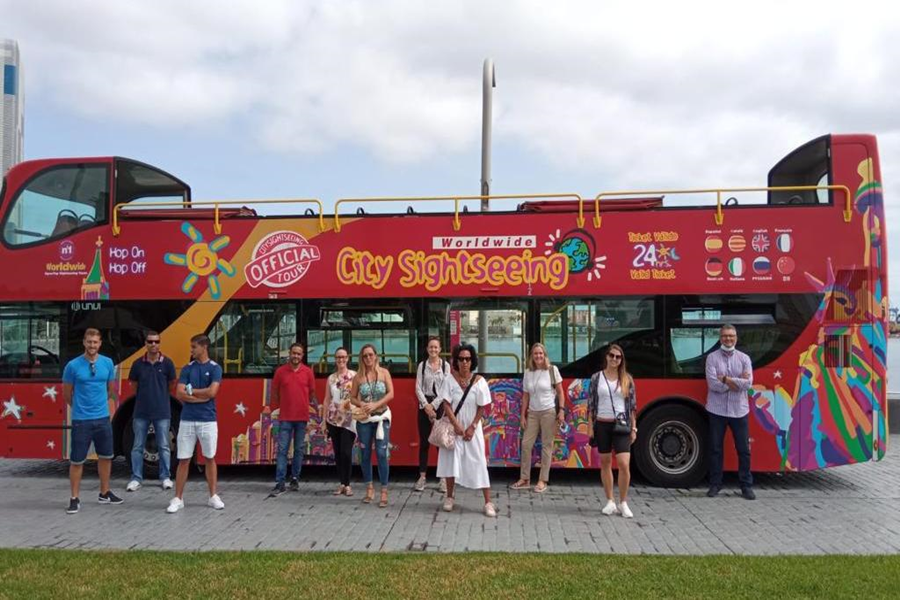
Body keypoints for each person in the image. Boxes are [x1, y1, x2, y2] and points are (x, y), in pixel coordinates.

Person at [63, 328, 123, 514]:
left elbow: (110, 390)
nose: (92, 345)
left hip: (103, 418)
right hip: (81, 420)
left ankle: (104, 493)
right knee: (77, 460)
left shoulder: (107, 363)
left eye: (95, 342)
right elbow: (67, 394)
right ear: (84, 342)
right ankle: (74, 498)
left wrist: (99, 407)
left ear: (100, 344)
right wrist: (81, 408)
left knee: (106, 457)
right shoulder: (72, 366)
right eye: (89, 342)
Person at [435, 343, 496, 517]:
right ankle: (449, 496)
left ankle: (488, 501)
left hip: (472, 430)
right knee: (450, 463)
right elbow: (446, 404)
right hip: (455, 429)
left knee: (479, 463)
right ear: (456, 361)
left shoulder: (479, 381)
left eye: (468, 359)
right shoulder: (449, 380)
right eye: (461, 359)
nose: (464, 362)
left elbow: (482, 406)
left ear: (472, 361)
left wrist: (472, 426)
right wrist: (456, 425)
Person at [167, 334, 224, 513]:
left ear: (204, 347)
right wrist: (201, 396)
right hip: (188, 419)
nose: (191, 350)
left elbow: (212, 392)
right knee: (183, 459)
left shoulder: (215, 368)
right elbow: (180, 393)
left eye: (194, 347)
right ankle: (178, 498)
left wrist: (192, 393)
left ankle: (213, 496)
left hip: (208, 420)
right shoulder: (187, 369)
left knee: (209, 458)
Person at [705, 324, 755, 500]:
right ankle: (715, 485)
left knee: (743, 450)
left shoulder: (744, 359)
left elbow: (748, 385)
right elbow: (713, 385)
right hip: (716, 410)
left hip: (739, 411)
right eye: (725, 336)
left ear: (736, 338)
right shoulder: (712, 358)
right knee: (715, 449)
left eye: (731, 336)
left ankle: (746, 486)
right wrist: (736, 383)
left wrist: (725, 379)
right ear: (720, 338)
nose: (728, 339)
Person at [588, 344, 637, 518]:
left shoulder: (627, 379)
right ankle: (610, 500)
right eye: (612, 356)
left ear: (621, 360)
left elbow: (632, 407)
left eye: (618, 357)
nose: (614, 359)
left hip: (621, 425)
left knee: (624, 464)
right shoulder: (596, 378)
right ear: (606, 357)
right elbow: (591, 405)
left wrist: (634, 428)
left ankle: (623, 502)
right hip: (602, 424)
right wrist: (590, 427)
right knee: (605, 462)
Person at [510, 342, 565, 493]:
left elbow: (560, 392)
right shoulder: (528, 372)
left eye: (541, 353)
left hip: (549, 412)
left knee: (547, 446)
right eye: (535, 354)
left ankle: (542, 480)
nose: (538, 356)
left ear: (545, 355)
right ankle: (525, 479)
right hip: (533, 413)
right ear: (531, 357)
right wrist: (523, 415)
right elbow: (526, 396)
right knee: (526, 444)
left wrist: (561, 410)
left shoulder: (552, 370)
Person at [126, 330, 177, 492]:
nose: (153, 344)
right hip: (141, 411)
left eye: (156, 342)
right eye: (150, 341)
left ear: (159, 343)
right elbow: (134, 386)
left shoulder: (167, 363)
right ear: (145, 344)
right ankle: (136, 478)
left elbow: (171, 384)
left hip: (162, 411)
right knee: (137, 446)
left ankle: (165, 477)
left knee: (163, 445)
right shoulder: (137, 364)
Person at [269, 342, 318, 497]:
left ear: (302, 356)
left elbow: (311, 393)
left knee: (298, 450)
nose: (296, 356)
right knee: (282, 450)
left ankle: (295, 478)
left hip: (301, 418)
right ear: (289, 353)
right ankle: (280, 482)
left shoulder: (308, 372)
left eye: (299, 354)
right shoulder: (280, 372)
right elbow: (275, 393)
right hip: (285, 418)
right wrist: (275, 411)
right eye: (294, 353)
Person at [349, 344, 394, 508]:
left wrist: (376, 405)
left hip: (382, 417)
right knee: (365, 453)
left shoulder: (384, 373)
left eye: (370, 355)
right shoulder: (358, 377)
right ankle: (369, 488)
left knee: (382, 453)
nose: (368, 358)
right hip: (365, 420)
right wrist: (362, 403)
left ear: (376, 356)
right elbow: (352, 397)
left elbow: (391, 393)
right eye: (364, 356)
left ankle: (384, 489)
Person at [415, 336, 450, 492]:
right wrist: (426, 406)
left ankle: (442, 478)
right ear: (427, 349)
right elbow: (418, 388)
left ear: (440, 349)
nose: (433, 350)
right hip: (424, 406)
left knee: (440, 442)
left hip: (440, 407)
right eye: (431, 347)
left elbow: (445, 389)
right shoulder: (422, 366)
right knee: (424, 442)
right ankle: (422, 477)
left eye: (436, 347)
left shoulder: (446, 366)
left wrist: (434, 406)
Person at [322, 347, 356, 496]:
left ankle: (348, 484)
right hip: (333, 418)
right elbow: (327, 399)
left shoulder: (354, 376)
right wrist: (324, 421)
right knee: (337, 452)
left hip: (349, 418)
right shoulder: (331, 378)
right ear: (335, 360)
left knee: (346, 452)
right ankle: (342, 483)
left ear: (347, 358)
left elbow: (358, 396)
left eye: (343, 357)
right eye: (338, 357)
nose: (341, 360)